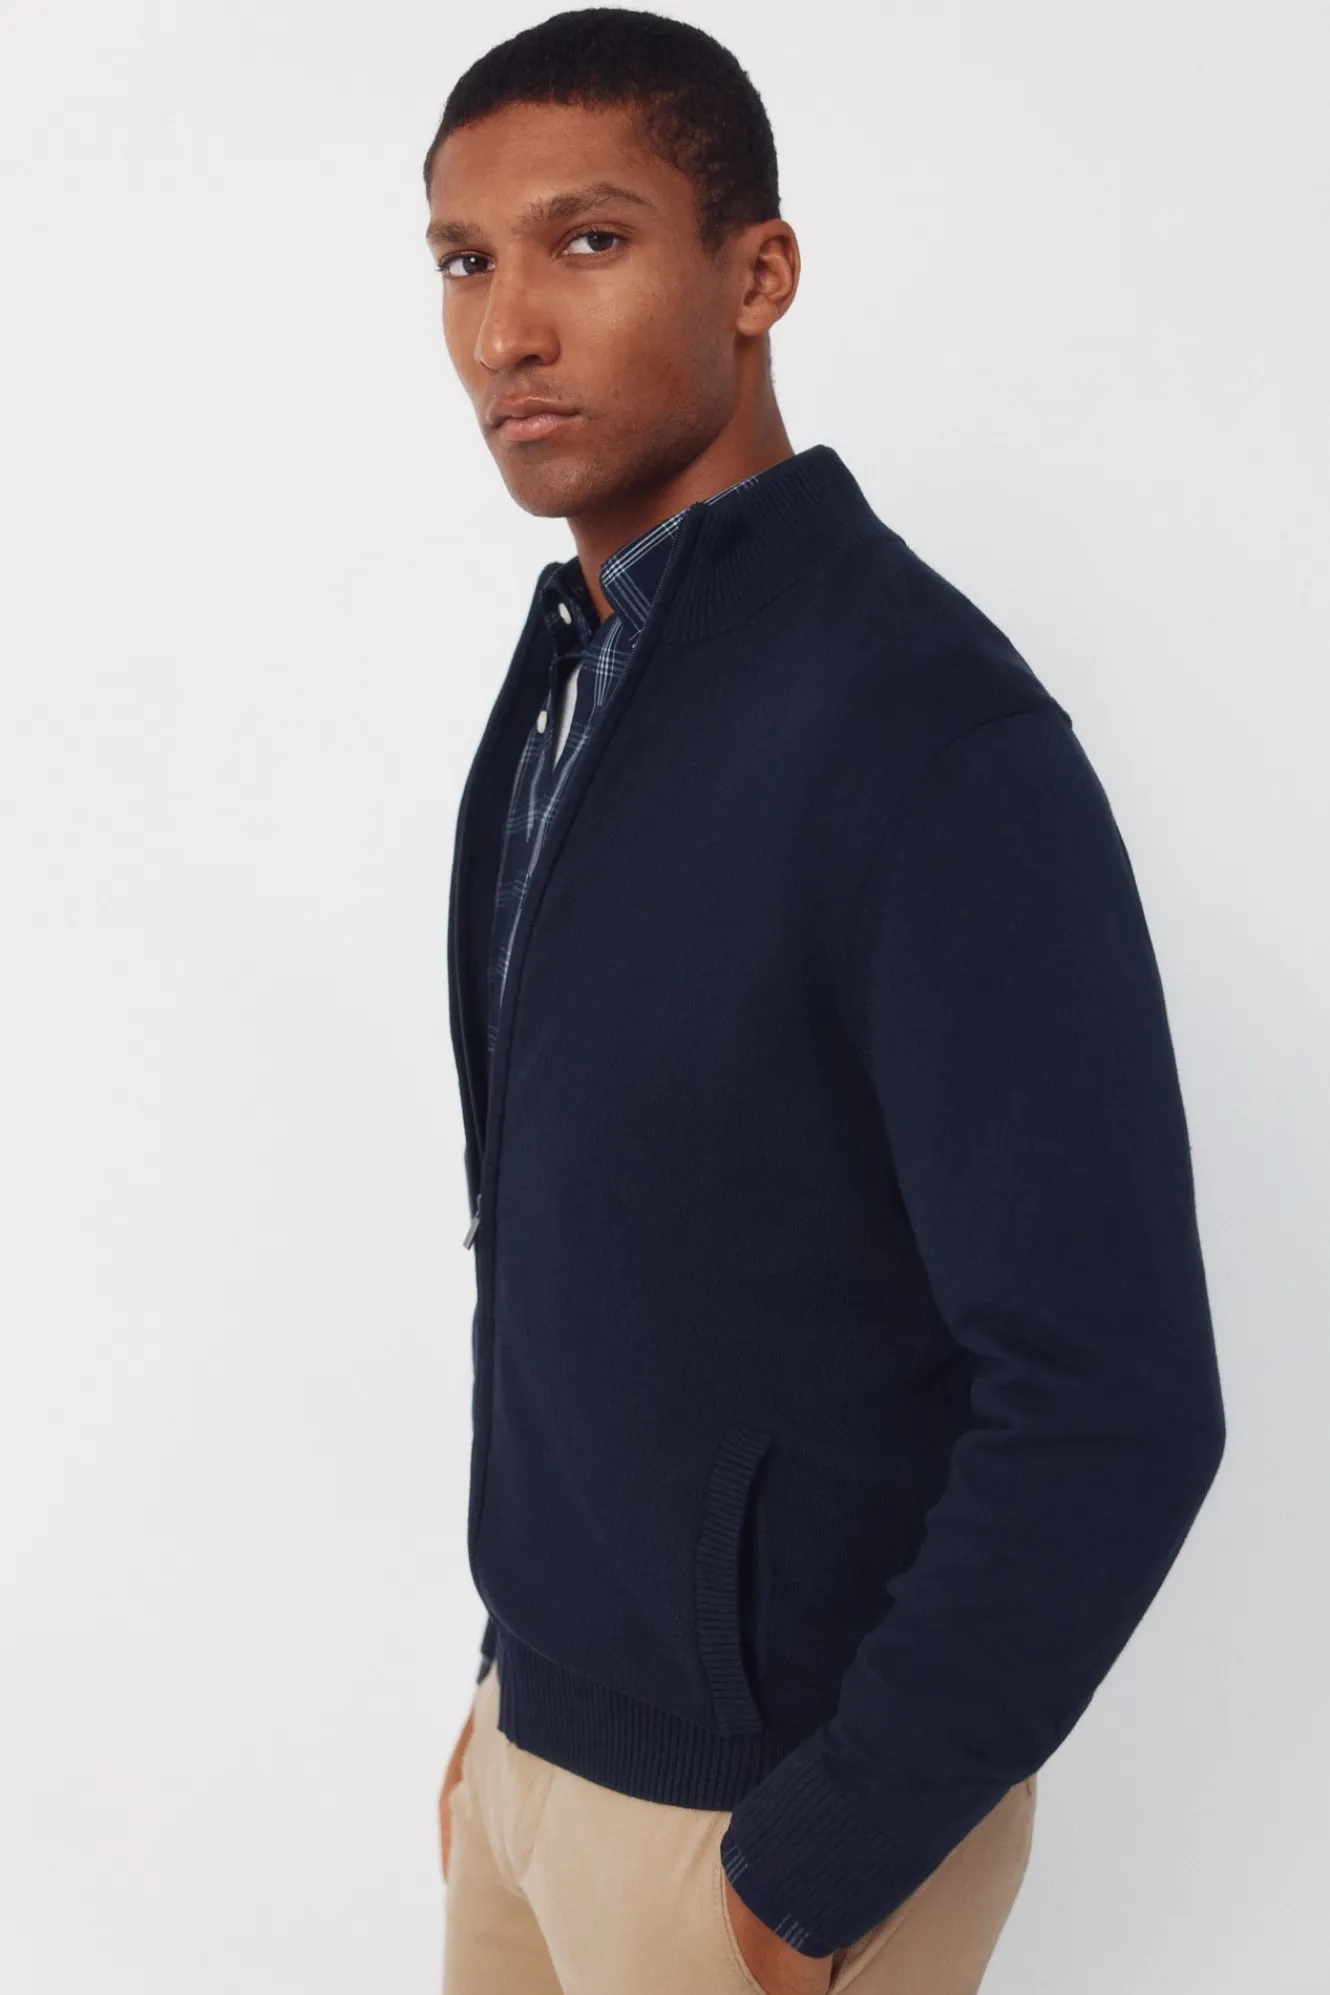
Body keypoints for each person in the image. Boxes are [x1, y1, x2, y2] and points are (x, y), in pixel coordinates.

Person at [423, 11, 1227, 1993]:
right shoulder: (576, 683)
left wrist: (822, 1859)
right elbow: (597, 1253)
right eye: (462, 260)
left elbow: (1114, 1396)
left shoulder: (922, 734)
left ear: (755, 273)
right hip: (538, 1764)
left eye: (587, 241)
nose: (507, 329)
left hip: (754, 1832)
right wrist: (513, 1695)